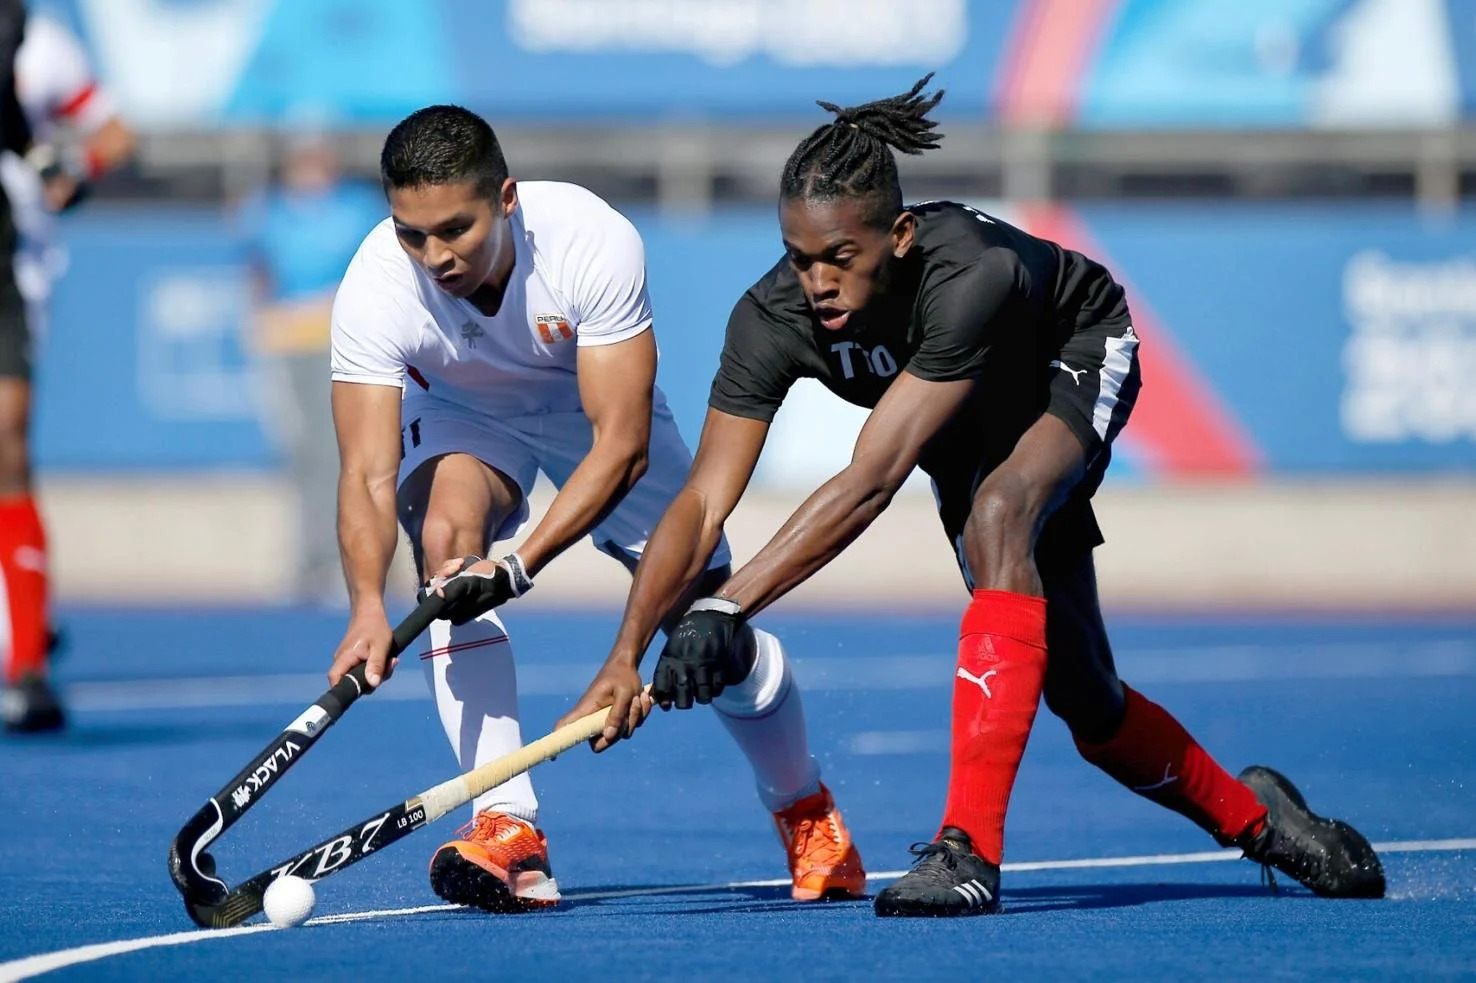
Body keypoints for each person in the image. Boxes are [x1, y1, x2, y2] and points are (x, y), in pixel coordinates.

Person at [561, 76, 1387, 916]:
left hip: (1069, 354)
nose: (817, 282)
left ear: (900, 236)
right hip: (960, 416)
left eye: (840, 257)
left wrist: (725, 605)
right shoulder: (768, 320)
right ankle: (1260, 820)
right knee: (1085, 697)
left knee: (1001, 514)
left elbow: (873, 478)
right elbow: (702, 502)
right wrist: (627, 651)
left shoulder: (969, 272)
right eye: (799, 257)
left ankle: (967, 849)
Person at [325, 105, 865, 913]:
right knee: (444, 551)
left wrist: (520, 565)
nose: (434, 256)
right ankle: (508, 826)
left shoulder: (588, 238)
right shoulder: (375, 284)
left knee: (706, 629)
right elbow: (368, 473)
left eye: (455, 230)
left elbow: (622, 445)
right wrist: (367, 604)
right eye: (413, 234)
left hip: (591, 413)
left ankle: (803, 805)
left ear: (505, 199)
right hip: (467, 416)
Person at [0, 7, 134, 733]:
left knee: (7, 441)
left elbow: (112, 132)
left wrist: (70, 170)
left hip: (11, 263)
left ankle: (27, 662)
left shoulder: (36, 42)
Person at [239, 122, 382, 604]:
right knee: (302, 455)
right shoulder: (268, 211)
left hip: (339, 344)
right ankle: (313, 559)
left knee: (340, 453)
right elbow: (258, 273)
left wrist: (323, 308)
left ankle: (351, 563)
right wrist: (260, 324)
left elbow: (374, 272)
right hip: (286, 346)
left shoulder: (357, 207)